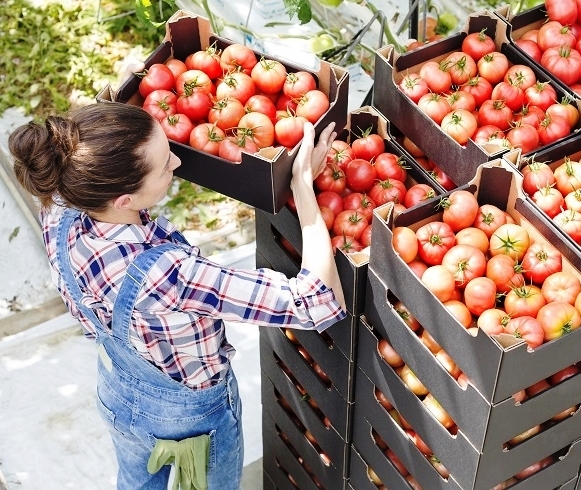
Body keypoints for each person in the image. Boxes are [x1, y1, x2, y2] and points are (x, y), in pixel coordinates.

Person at [9, 101, 346, 490]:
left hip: (119, 390)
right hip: (188, 421)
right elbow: (317, 302)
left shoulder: (61, 204)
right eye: (164, 164)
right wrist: (303, 188)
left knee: (137, 483)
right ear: (125, 201)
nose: (177, 164)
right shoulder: (168, 276)